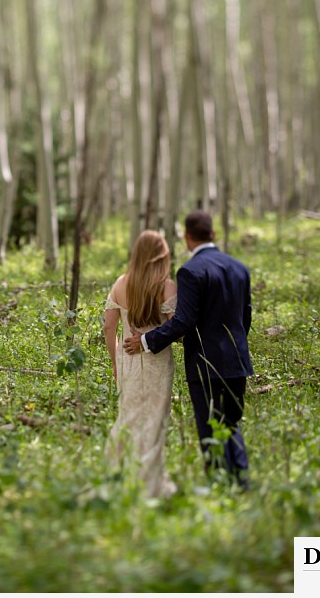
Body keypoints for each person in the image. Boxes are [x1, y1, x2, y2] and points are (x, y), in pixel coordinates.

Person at [123, 211, 253, 489]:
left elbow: (183, 320)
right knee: (231, 424)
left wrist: (145, 341)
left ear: (187, 236)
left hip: (206, 362)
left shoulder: (191, 271)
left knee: (209, 426)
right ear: (213, 234)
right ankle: (241, 483)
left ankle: (220, 485)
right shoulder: (240, 268)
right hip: (237, 360)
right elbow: (246, 318)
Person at [103, 230, 178, 498]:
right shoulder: (167, 287)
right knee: (155, 420)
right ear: (161, 256)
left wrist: (115, 363)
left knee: (128, 417)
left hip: (128, 361)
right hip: (157, 362)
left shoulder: (121, 283)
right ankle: (148, 483)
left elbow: (109, 328)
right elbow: (172, 331)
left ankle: (118, 475)